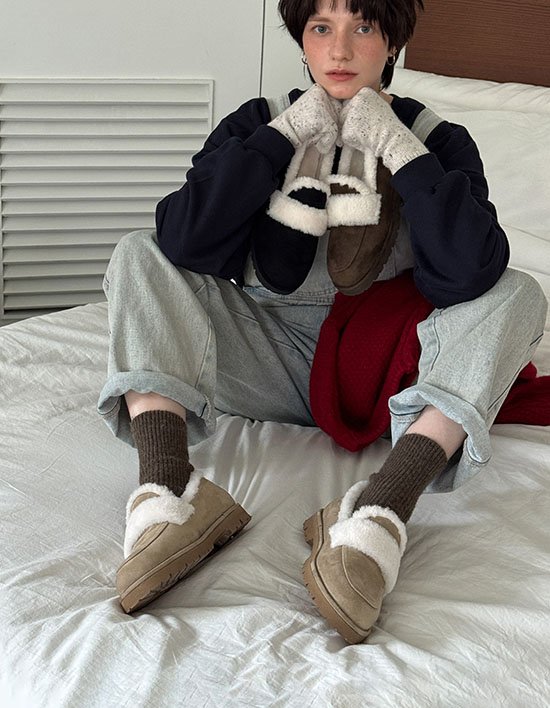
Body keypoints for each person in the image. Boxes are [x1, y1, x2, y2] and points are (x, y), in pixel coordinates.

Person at [98, 0, 547, 643]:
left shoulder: (438, 139)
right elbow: (185, 240)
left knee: (520, 292)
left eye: (363, 28)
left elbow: (469, 272)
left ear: (391, 42)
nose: (340, 51)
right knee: (138, 252)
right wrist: (284, 134)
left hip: (388, 375)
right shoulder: (257, 122)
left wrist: (399, 147)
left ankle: (379, 507)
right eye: (321, 29)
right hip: (264, 356)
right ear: (302, 40)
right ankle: (170, 492)